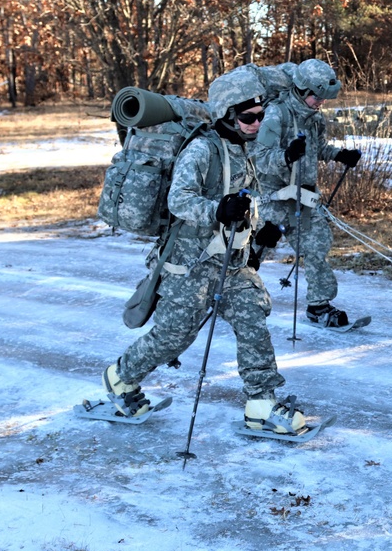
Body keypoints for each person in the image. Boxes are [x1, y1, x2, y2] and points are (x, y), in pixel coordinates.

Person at [102, 67, 307, 433]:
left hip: (231, 263)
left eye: (260, 116)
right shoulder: (201, 150)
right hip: (190, 265)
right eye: (248, 118)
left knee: (252, 318)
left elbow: (252, 194)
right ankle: (121, 377)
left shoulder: (244, 147)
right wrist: (216, 209)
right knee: (172, 337)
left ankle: (262, 402)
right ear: (228, 115)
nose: (257, 123)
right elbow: (178, 200)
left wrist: (261, 234)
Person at [250, 59, 362, 328]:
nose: (320, 102)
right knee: (255, 250)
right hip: (274, 197)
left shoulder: (314, 119)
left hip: (304, 196)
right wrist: (286, 156)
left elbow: (318, 148)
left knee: (316, 246)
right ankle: (224, 292)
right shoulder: (276, 115)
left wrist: (339, 155)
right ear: (301, 90)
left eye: (324, 97)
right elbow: (258, 157)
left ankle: (319, 306)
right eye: (316, 96)